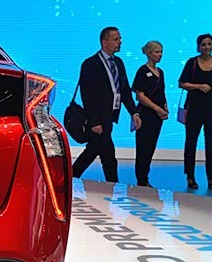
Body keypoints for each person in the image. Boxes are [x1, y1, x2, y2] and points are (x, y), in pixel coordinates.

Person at [71, 27, 141, 183]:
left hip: (110, 117)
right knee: (108, 155)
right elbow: (87, 95)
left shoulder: (119, 63)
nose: (120, 42)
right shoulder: (91, 64)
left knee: (93, 151)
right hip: (98, 118)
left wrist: (134, 113)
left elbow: (124, 91)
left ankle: (69, 178)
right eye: (116, 39)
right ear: (104, 42)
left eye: (120, 39)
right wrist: (94, 121)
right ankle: (113, 185)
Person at [178, 33, 212, 191]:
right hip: (194, 107)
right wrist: (198, 86)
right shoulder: (192, 62)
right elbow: (181, 83)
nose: (206, 47)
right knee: (191, 141)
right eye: (203, 44)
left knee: (211, 142)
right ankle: (190, 176)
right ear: (198, 47)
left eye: (209, 44)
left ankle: (211, 177)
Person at [132, 40, 168, 188]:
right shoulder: (142, 71)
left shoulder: (161, 72)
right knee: (143, 148)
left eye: (161, 52)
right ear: (149, 53)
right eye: (157, 52)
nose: (160, 55)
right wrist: (156, 108)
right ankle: (141, 179)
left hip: (157, 117)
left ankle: (145, 177)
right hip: (145, 114)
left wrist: (164, 107)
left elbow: (161, 92)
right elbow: (139, 95)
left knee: (151, 147)